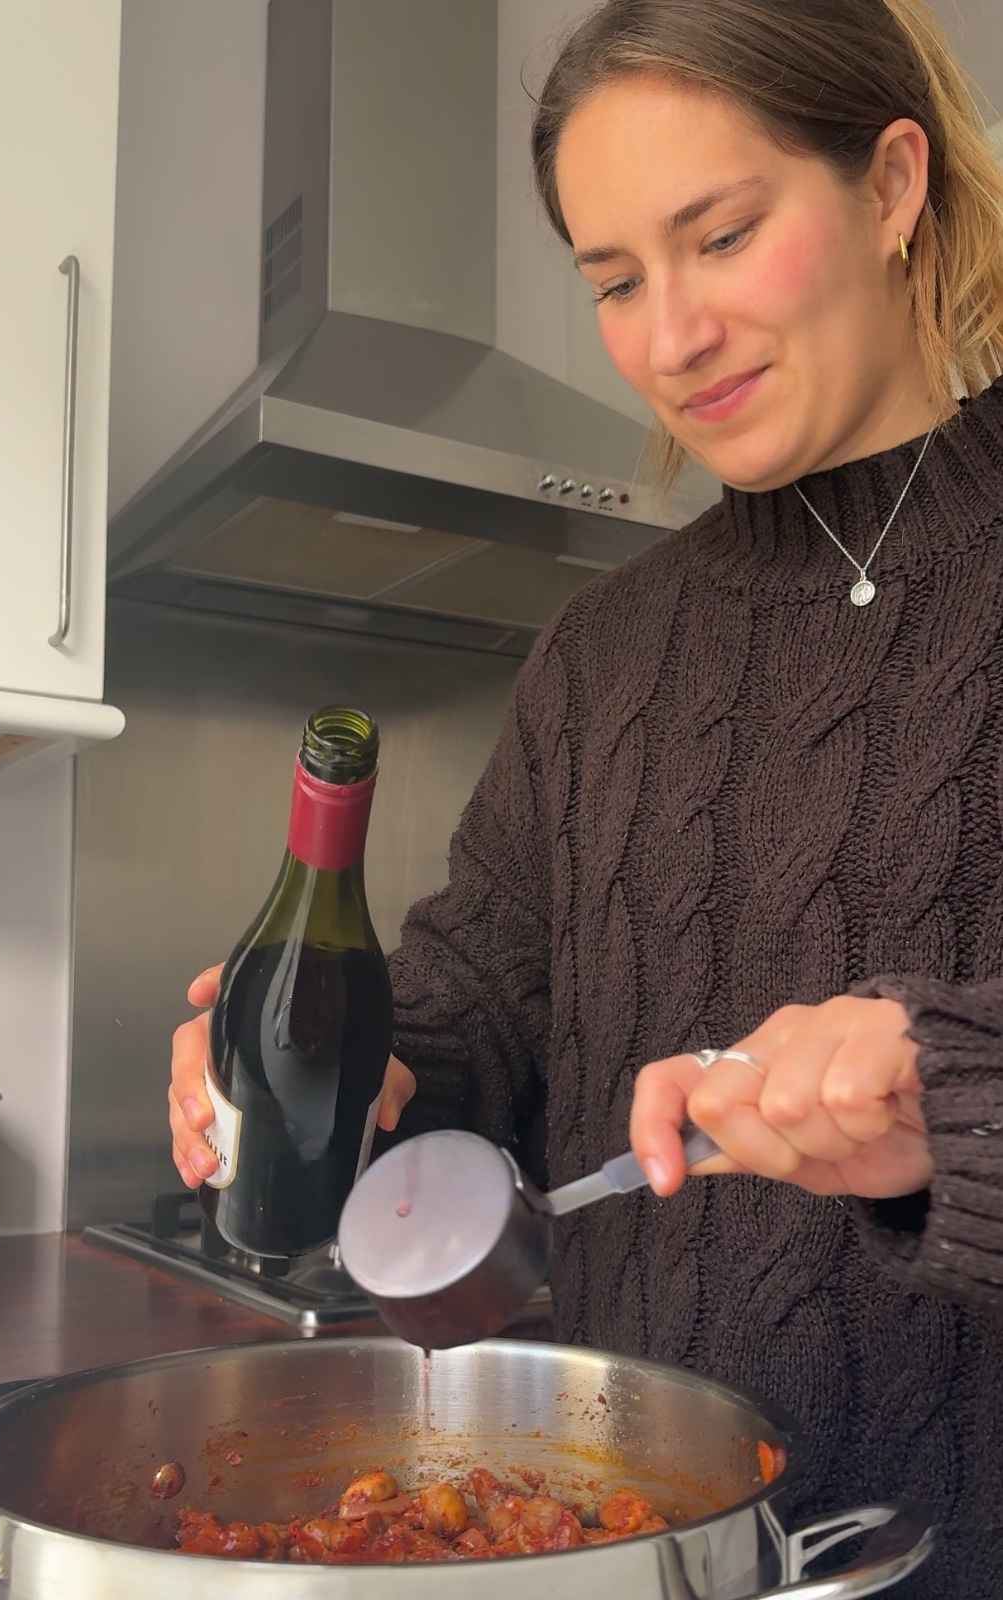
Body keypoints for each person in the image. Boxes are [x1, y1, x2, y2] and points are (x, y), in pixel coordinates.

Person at [169, 0, 1003, 1590]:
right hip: (625, 1546)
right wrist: (356, 1077)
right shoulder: (601, 653)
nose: (669, 337)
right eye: (616, 282)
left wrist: (958, 1095)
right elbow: (478, 1013)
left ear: (891, 189)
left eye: (725, 236)